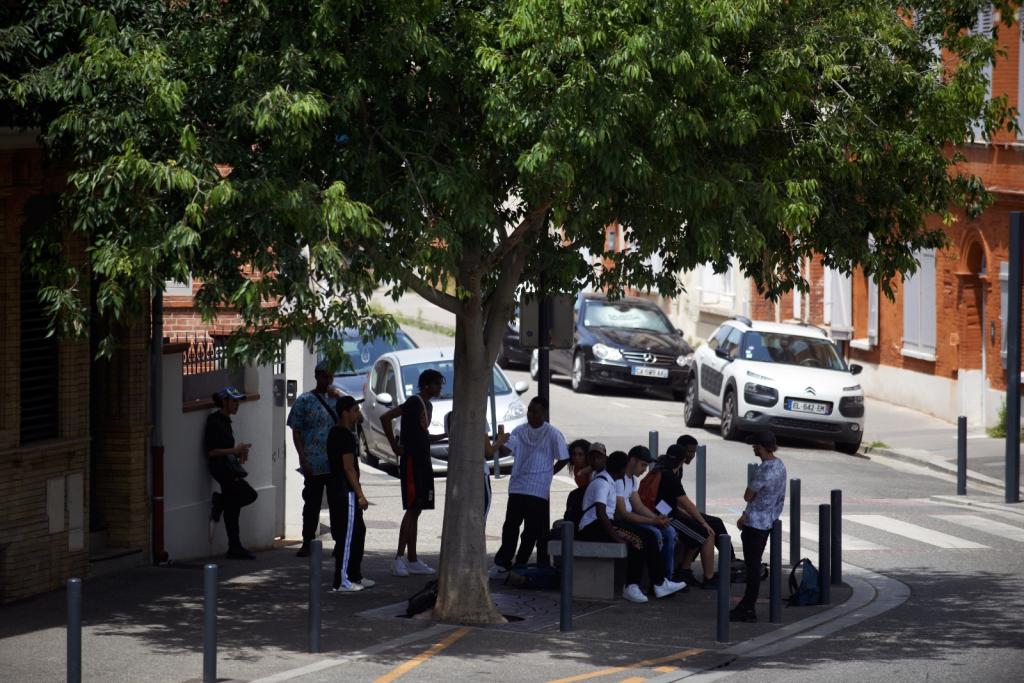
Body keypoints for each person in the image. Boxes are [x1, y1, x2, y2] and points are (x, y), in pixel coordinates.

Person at [577, 448, 687, 603]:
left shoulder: (611, 480)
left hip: (605, 523)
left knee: (648, 536)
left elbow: (634, 506)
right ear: (621, 469)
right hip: (593, 526)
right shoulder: (602, 482)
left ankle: (660, 583)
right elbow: (601, 513)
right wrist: (616, 536)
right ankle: (631, 586)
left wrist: (655, 519)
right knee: (637, 540)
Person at [489, 397, 568, 579]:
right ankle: (503, 562)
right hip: (518, 485)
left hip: (538, 489)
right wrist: (500, 442)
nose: (531, 415)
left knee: (530, 530)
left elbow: (564, 456)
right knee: (510, 526)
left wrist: (549, 472)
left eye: (535, 412)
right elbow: (508, 451)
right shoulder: (519, 430)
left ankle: (521, 562)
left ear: (544, 414)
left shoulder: (553, 434)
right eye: (529, 411)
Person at [381, 368, 446, 577]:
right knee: (411, 508)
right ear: (426, 385)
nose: (439, 387)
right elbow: (386, 417)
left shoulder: (428, 405)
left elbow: (423, 436)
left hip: (423, 461)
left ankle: (412, 558)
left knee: (417, 509)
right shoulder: (413, 402)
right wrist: (394, 446)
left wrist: (445, 435)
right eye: (436, 384)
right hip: (411, 462)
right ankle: (398, 558)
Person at [287, 361, 344, 558]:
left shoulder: (338, 400)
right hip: (313, 462)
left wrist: (340, 397)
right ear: (317, 376)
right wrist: (302, 457)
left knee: (337, 504)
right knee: (311, 504)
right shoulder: (305, 400)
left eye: (330, 376)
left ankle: (339, 542)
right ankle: (307, 541)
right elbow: (296, 430)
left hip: (335, 462)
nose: (327, 380)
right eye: (324, 376)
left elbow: (356, 419)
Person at [731, 431, 787, 623]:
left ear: (762, 447)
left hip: (754, 524)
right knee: (754, 565)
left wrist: (746, 516)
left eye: (755, 444)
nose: (753, 447)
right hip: (768, 521)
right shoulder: (780, 465)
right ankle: (747, 607)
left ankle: (747, 607)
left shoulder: (764, 469)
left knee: (752, 567)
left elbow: (748, 496)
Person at [204, 386, 258, 560]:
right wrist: (234, 450)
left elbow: (229, 451)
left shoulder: (226, 421)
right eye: (234, 401)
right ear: (224, 401)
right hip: (221, 470)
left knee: (233, 508)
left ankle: (234, 546)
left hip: (229, 467)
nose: (237, 405)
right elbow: (211, 451)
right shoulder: (214, 421)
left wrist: (239, 454)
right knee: (248, 495)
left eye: (238, 401)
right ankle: (220, 502)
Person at [326, 396, 372, 592]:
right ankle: (342, 579)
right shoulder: (342, 435)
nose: (358, 414)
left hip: (341, 490)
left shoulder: (340, 433)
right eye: (354, 410)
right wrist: (360, 494)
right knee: (347, 535)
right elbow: (348, 468)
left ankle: (354, 575)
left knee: (358, 531)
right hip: (345, 492)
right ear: (345, 412)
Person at [656, 444, 718, 587]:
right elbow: (686, 503)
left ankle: (684, 569)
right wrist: (703, 522)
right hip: (667, 517)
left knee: (697, 532)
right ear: (682, 460)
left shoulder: (660, 470)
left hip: (666, 512)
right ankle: (708, 577)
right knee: (707, 534)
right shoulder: (670, 476)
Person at [674, 435, 736, 564]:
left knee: (715, 523)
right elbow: (679, 500)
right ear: (680, 450)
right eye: (689, 451)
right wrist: (693, 515)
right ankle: (730, 561)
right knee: (707, 528)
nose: (692, 455)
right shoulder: (672, 469)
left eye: (694, 452)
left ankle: (730, 559)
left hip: (678, 510)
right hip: (673, 513)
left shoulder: (678, 468)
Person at [621, 446, 675, 582]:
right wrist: (653, 522)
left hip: (631, 518)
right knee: (655, 534)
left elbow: (638, 505)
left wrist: (657, 518)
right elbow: (623, 514)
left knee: (669, 531)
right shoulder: (619, 479)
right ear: (632, 461)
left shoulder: (633, 480)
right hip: (623, 521)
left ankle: (667, 578)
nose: (645, 469)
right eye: (643, 465)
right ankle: (657, 581)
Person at [444, 410, 510, 522]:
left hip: (458, 472)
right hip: (478, 473)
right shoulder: (478, 416)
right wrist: (500, 440)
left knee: (461, 516)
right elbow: (488, 451)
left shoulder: (449, 416)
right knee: (480, 516)